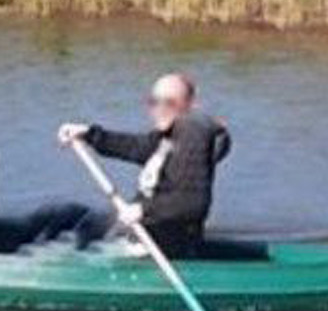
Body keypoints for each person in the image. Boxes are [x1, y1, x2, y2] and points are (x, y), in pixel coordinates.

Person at [32, 73, 230, 258]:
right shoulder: (167, 139)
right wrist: (88, 134)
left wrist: (144, 210)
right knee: (68, 214)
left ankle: (71, 269)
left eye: (169, 102)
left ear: (189, 105)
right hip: (143, 236)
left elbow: (192, 204)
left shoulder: (191, 133)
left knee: (76, 222)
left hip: (163, 249)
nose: (159, 108)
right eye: (154, 102)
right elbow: (134, 146)